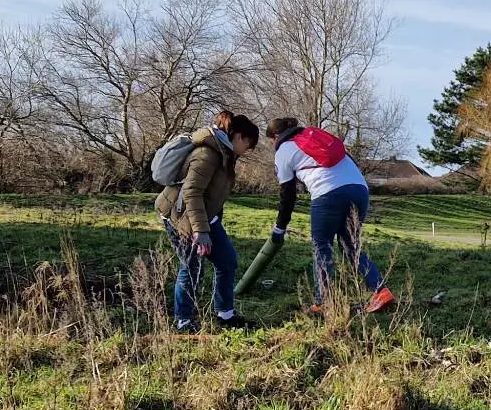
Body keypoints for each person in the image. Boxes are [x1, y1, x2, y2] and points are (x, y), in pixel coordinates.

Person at [265, 117, 395, 316]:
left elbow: (287, 195)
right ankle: (381, 291)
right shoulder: (316, 136)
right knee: (351, 246)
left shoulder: (283, 150)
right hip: (359, 189)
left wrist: (279, 227)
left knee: (322, 245)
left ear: (275, 136)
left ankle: (324, 302)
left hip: (327, 192)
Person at [157, 110, 259, 332]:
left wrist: (210, 225)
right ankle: (184, 321)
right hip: (180, 215)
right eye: (249, 144)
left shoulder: (225, 153)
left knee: (227, 260)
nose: (248, 150)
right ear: (239, 136)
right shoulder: (207, 154)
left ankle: (225, 315)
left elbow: (213, 194)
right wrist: (201, 232)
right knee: (192, 266)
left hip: (204, 216)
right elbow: (192, 193)